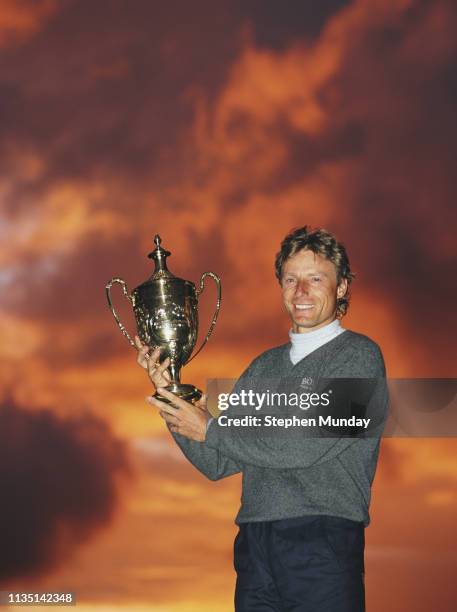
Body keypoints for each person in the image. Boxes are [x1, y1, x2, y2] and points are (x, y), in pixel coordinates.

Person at [134, 226, 388, 612]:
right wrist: (171, 391)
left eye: (315, 278)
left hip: (324, 542)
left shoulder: (360, 357)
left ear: (341, 288)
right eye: (290, 279)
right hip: (254, 546)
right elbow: (217, 461)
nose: (300, 291)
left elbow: (301, 445)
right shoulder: (263, 367)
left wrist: (211, 428)